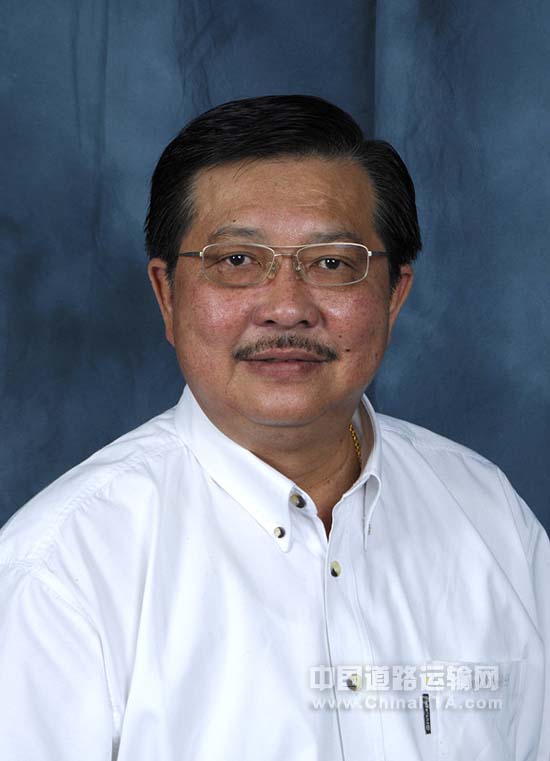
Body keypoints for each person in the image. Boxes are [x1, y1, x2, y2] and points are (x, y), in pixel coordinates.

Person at [0, 95, 548, 761]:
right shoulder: (63, 569)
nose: (287, 308)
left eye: (332, 263)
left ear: (395, 293)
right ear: (167, 294)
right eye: (237, 261)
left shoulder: (488, 515)